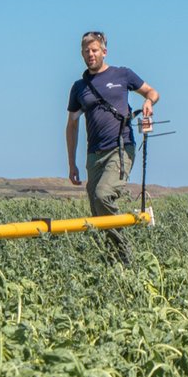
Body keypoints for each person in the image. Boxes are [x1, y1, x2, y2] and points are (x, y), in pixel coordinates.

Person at [65, 31, 159, 264]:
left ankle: (126, 257)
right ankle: (111, 262)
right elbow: (72, 125)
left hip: (120, 148)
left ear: (104, 52)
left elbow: (152, 92)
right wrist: (71, 163)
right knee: (97, 213)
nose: (91, 54)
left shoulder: (122, 75)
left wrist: (148, 101)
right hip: (92, 155)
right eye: (86, 51)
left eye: (95, 50)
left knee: (103, 195)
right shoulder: (79, 87)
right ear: (82, 54)